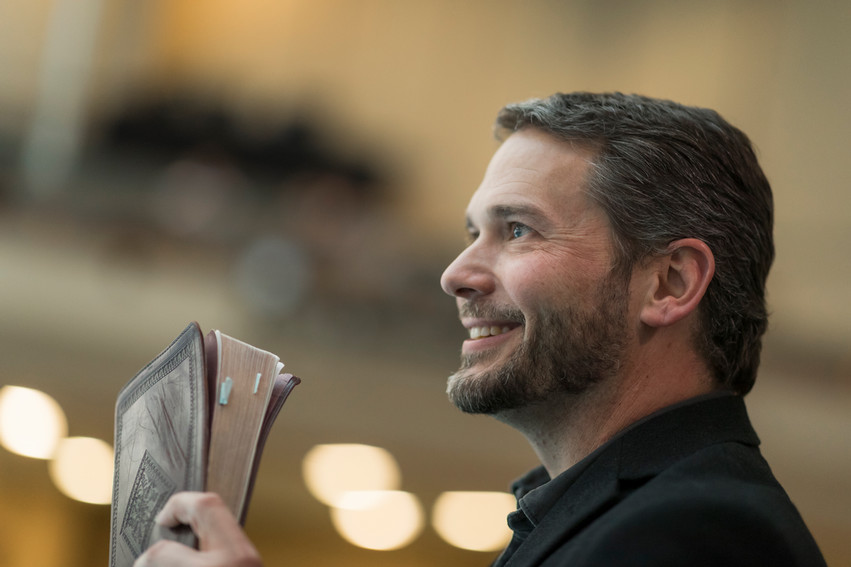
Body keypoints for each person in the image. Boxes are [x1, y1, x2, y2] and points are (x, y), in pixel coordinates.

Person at [134, 92, 826, 566]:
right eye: (473, 232)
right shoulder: (617, 512)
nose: (456, 273)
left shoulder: (699, 532)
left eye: (516, 230)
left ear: (668, 282)